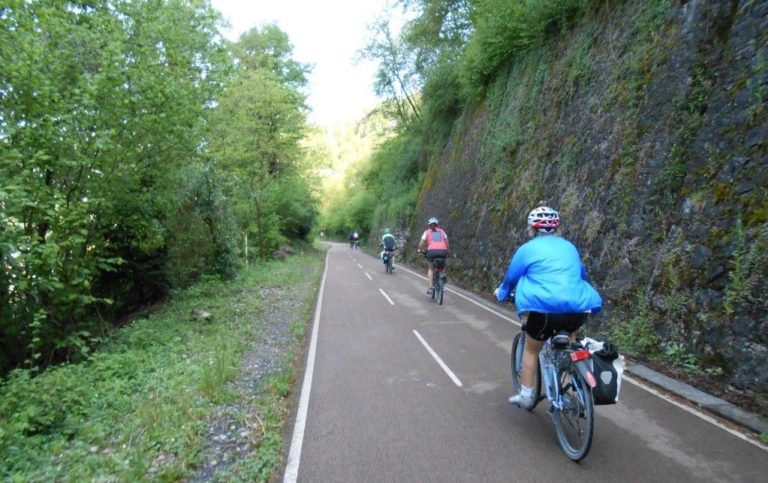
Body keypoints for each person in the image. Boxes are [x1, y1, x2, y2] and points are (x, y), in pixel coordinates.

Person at [494, 206, 602, 409]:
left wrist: (502, 293)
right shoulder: (570, 248)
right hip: (577, 310)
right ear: (557, 228)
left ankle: (526, 396)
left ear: (532, 229)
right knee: (569, 340)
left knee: (532, 350)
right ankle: (571, 372)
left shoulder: (527, 249)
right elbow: (581, 275)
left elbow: (511, 277)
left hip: (543, 312)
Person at [417, 217, 449, 294]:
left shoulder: (427, 232)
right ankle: (442, 277)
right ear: (437, 225)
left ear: (429, 225)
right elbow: (447, 243)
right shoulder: (442, 231)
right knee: (441, 266)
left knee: (430, 269)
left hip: (432, 252)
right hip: (443, 251)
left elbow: (421, 244)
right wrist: (445, 249)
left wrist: (419, 249)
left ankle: (431, 287)